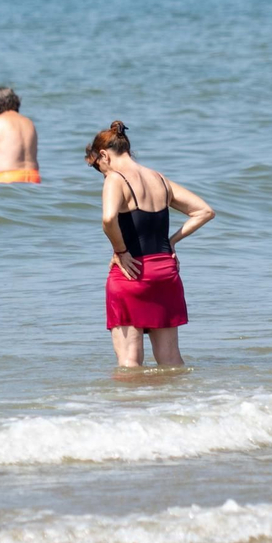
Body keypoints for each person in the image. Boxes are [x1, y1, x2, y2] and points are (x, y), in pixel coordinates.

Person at [86, 121, 215, 368]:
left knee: (129, 362)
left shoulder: (115, 178)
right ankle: (176, 405)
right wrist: (172, 241)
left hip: (131, 274)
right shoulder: (159, 179)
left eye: (99, 167)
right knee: (171, 360)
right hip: (166, 274)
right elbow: (204, 211)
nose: (102, 173)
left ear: (104, 155)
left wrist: (120, 250)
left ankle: (135, 407)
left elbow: (108, 218)